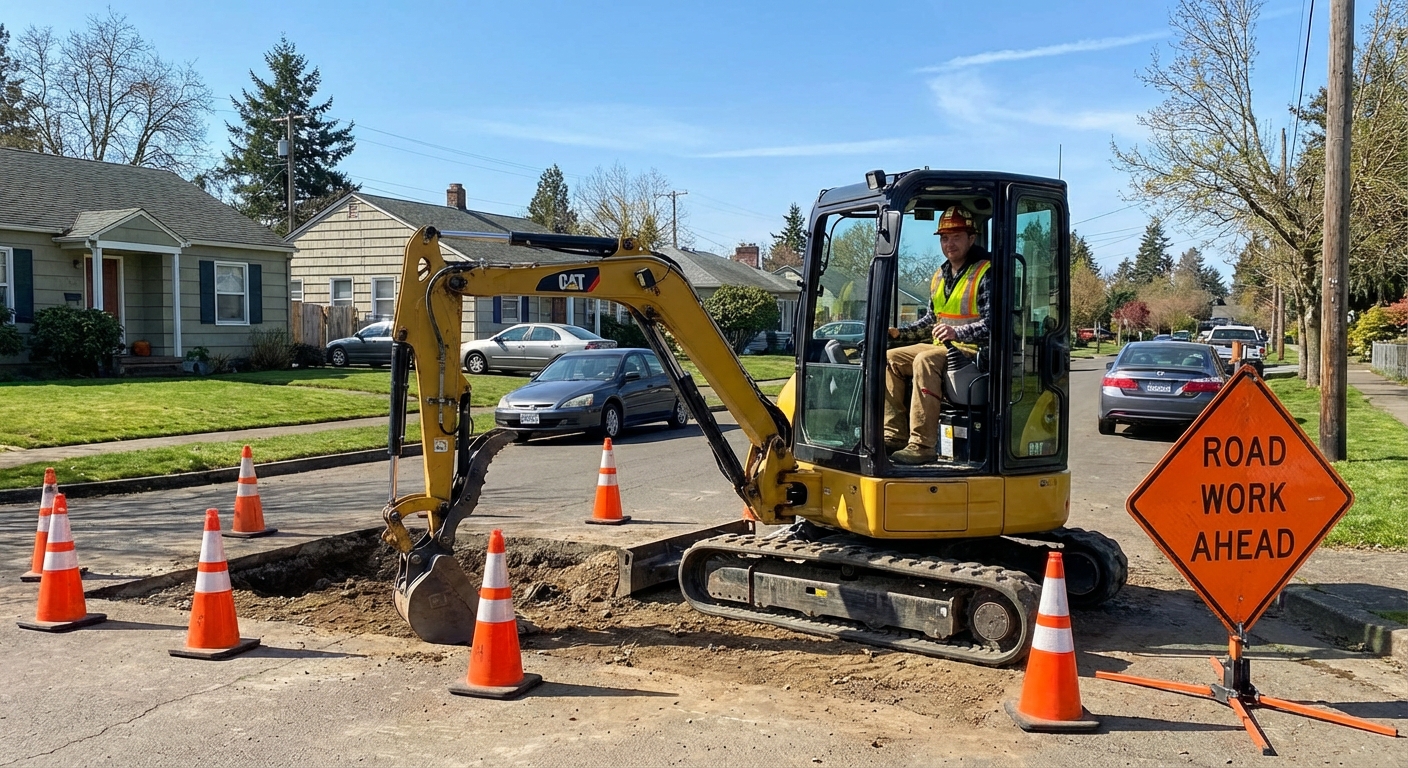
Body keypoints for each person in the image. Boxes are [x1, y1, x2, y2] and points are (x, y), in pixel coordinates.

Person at [884, 206, 992, 465]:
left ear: (971, 238)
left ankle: (922, 445)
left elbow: (994, 324)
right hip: (942, 345)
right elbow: (931, 320)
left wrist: (958, 331)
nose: (949, 243)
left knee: (925, 360)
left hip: (971, 351)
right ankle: (894, 435)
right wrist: (900, 333)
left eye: (956, 236)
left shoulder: (985, 272)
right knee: (891, 358)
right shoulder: (940, 275)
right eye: (944, 238)